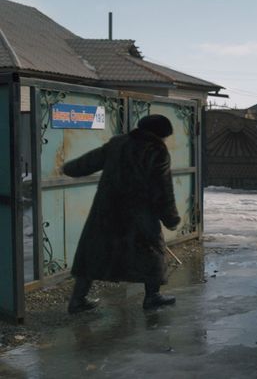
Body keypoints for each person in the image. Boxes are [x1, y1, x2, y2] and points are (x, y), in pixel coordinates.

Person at [63, 114, 181, 313]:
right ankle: (152, 297)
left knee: (93, 252)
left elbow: (89, 161)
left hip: (106, 210)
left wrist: (69, 168)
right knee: (152, 253)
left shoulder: (118, 143)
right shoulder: (156, 151)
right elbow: (162, 189)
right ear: (160, 134)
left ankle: (78, 299)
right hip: (139, 213)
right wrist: (170, 218)